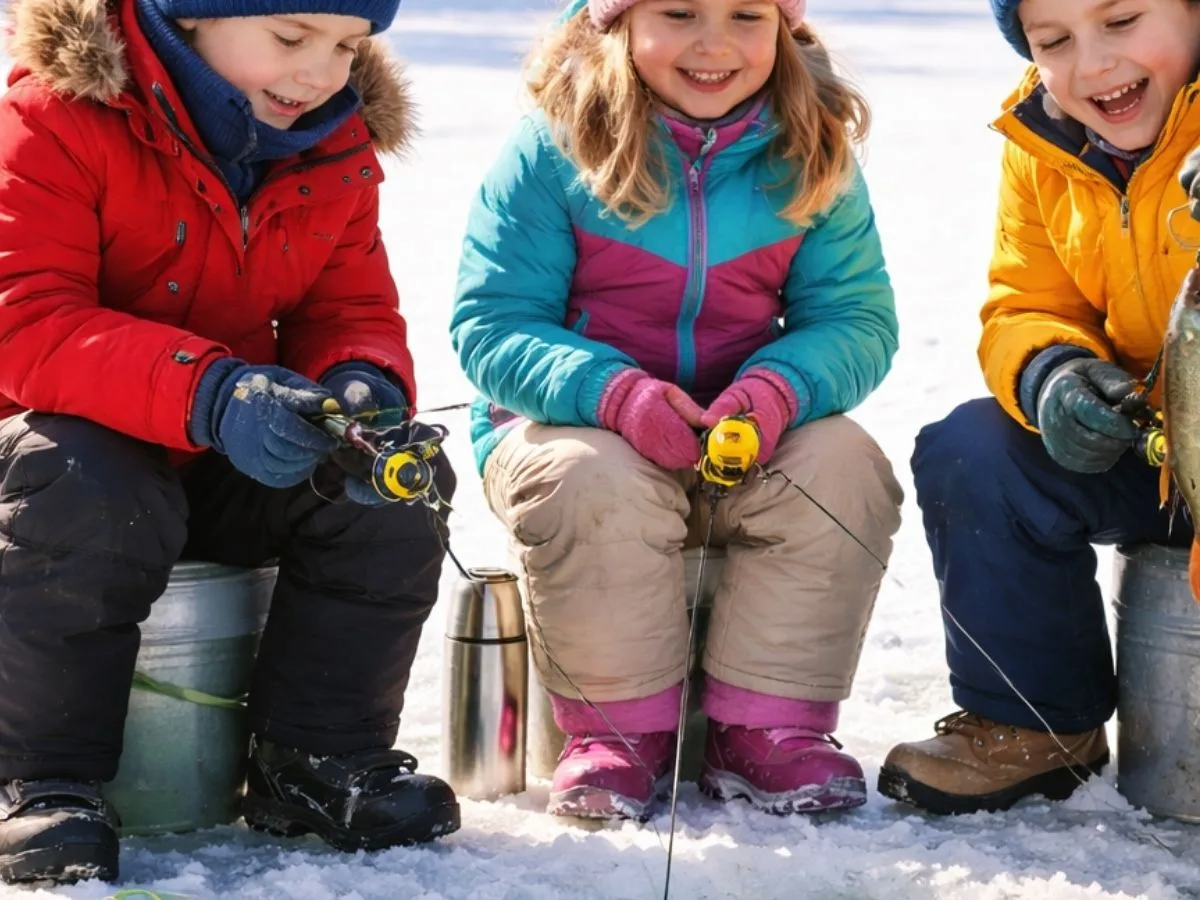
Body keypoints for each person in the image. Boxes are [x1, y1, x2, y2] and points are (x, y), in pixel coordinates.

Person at [0, 0, 459, 883]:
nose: (322, 73)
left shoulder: (330, 148)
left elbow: (347, 307)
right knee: (86, 479)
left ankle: (317, 760)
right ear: (187, 20)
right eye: (292, 38)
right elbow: (28, 322)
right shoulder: (51, 121)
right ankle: (45, 782)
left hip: (233, 447)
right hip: (52, 466)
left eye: (348, 46)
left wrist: (359, 385)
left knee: (391, 488)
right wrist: (207, 389)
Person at [451, 0, 902, 822]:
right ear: (616, 22)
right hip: (572, 423)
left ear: (785, 29)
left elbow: (855, 317)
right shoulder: (552, 151)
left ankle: (771, 728)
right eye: (680, 12)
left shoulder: (811, 149)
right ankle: (616, 733)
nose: (716, 42)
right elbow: (495, 323)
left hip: (745, 428)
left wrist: (775, 391)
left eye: (745, 15)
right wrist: (613, 393)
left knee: (843, 465)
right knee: (594, 480)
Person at [879, 0, 1200, 815]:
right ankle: (1033, 724)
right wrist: (1052, 373)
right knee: (976, 452)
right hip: (1158, 447)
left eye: (1122, 20)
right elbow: (1026, 297)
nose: (1092, 64)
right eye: (1052, 41)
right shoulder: (1046, 141)